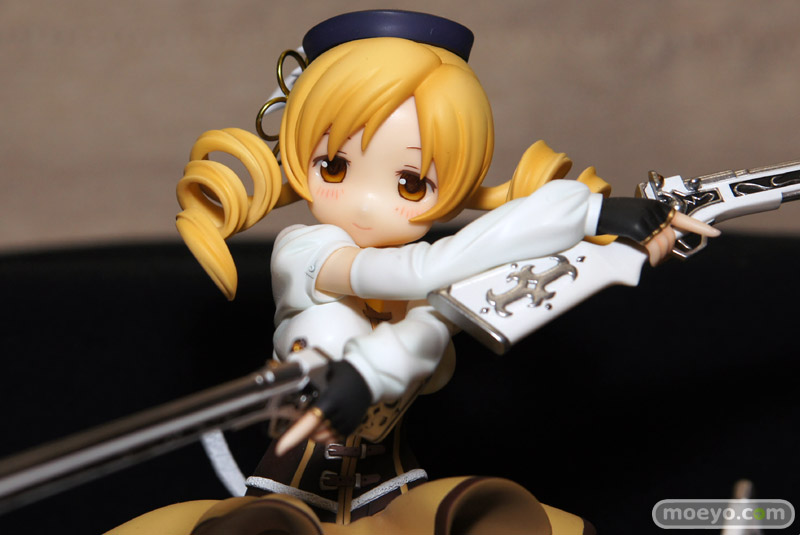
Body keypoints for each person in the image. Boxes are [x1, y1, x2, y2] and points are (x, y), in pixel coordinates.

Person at [109, 10, 718, 535]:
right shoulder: (306, 250)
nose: (369, 205)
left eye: (409, 183)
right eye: (335, 167)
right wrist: (586, 213)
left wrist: (619, 241)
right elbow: (417, 270)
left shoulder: (434, 289)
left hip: (391, 484)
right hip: (294, 487)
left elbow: (457, 316)